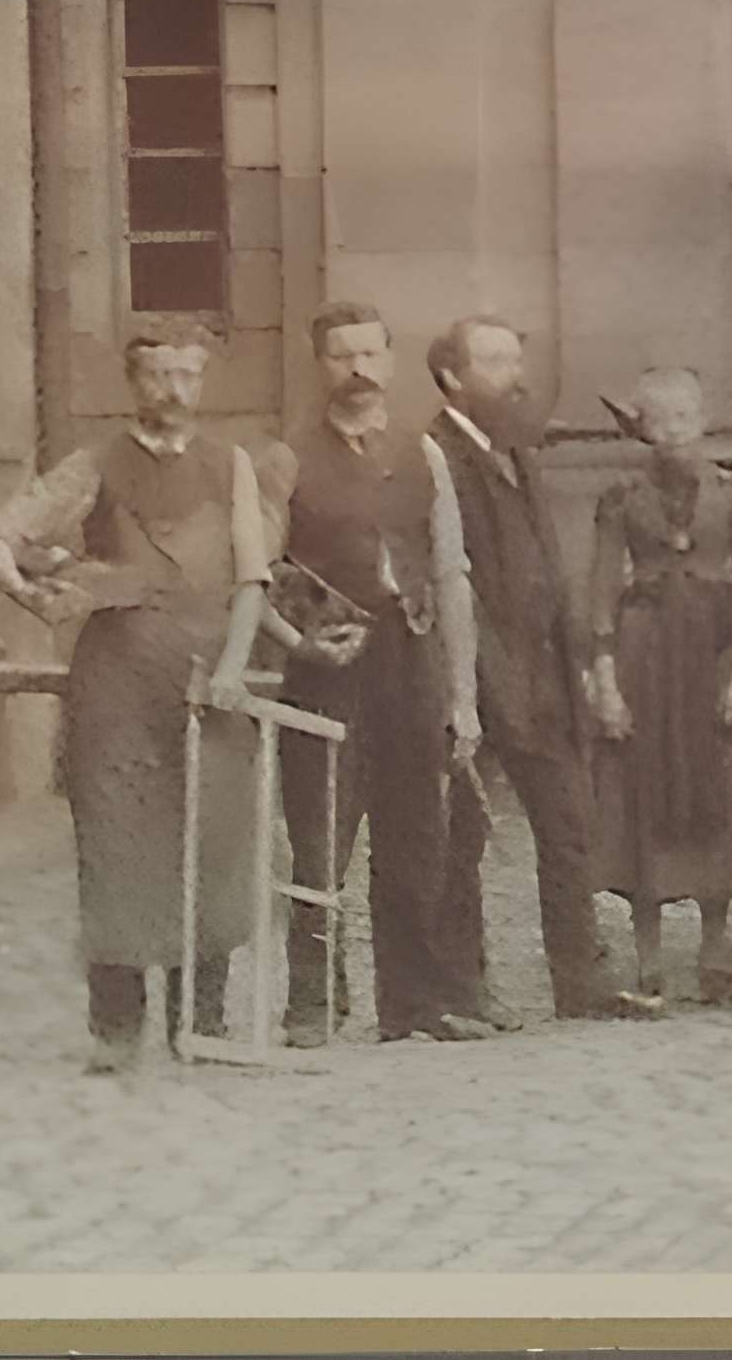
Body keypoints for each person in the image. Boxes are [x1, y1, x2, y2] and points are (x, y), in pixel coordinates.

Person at [0, 320, 280, 1074]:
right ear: (133, 381)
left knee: (213, 841)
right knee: (117, 847)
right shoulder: (95, 464)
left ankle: (199, 1022)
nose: (174, 391)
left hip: (208, 677)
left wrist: (235, 667)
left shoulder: (231, 465)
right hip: (117, 684)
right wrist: (32, 595)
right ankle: (115, 1029)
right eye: (158, 375)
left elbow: (251, 578)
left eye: (188, 375)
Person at [263, 302, 495, 1046]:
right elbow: (264, 572)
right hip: (328, 666)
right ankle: (313, 1004)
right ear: (319, 366)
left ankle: (413, 1002)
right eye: (342, 356)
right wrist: (303, 641)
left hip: (410, 653)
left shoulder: (423, 453)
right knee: (319, 835)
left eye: (369, 354)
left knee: (417, 830)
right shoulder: (286, 459)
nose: (358, 370)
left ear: (390, 363)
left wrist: (463, 694)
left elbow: (452, 574)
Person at [425, 314, 617, 1022]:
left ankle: (580, 983)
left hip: (544, 674)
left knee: (569, 827)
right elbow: (452, 579)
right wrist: (476, 685)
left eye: (516, 360)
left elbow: (548, 568)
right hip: (476, 675)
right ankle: (463, 989)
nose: (516, 378)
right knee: (463, 839)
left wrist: (576, 659)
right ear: (453, 377)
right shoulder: (435, 456)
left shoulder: (517, 450)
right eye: (497, 363)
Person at [588, 367, 732, 1012]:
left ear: (703, 420)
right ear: (641, 428)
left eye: (685, 416)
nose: (675, 429)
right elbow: (600, 590)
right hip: (645, 655)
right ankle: (648, 956)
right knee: (644, 793)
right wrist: (605, 681)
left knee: (721, 789)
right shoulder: (621, 499)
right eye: (660, 419)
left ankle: (714, 951)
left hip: (714, 651)